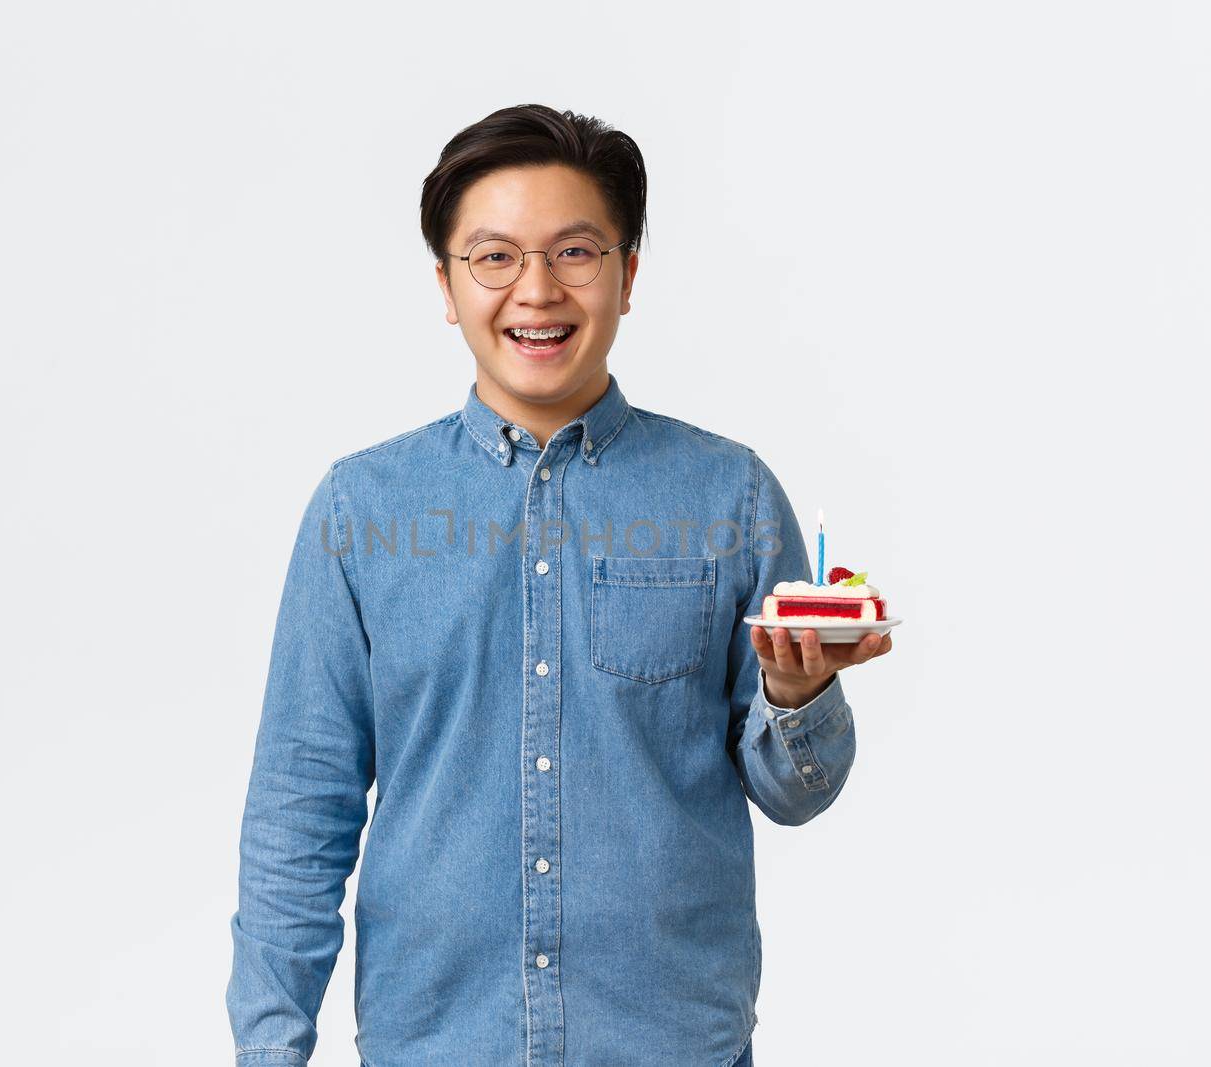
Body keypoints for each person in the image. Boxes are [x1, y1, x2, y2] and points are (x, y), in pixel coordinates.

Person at [226, 104, 893, 1067]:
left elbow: (794, 793)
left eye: (575, 251)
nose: (536, 290)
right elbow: (299, 806)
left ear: (626, 275)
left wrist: (797, 696)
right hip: (437, 1045)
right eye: (493, 257)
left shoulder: (730, 495)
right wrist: (268, 1050)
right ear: (448, 287)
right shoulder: (359, 510)